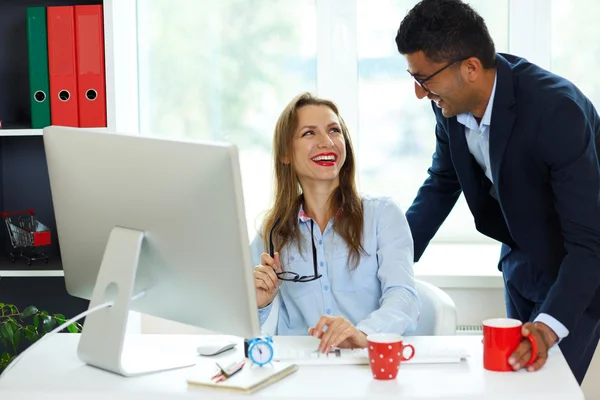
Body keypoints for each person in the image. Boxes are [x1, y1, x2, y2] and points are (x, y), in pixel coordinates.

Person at [395, 0, 600, 384]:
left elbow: (590, 240)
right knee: (509, 387)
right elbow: (442, 182)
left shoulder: (556, 110)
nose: (420, 94)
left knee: (546, 390)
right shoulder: (449, 105)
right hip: (518, 259)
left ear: (470, 68)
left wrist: (548, 326)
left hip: (579, 272)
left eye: (424, 80)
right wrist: (389, 257)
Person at [250, 92, 421, 353]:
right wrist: (260, 305)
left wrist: (363, 333)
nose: (327, 142)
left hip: (366, 363)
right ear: (285, 153)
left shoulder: (382, 215)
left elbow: (404, 297)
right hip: (302, 368)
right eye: (309, 133)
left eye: (334, 130)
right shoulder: (271, 231)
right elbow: (244, 327)